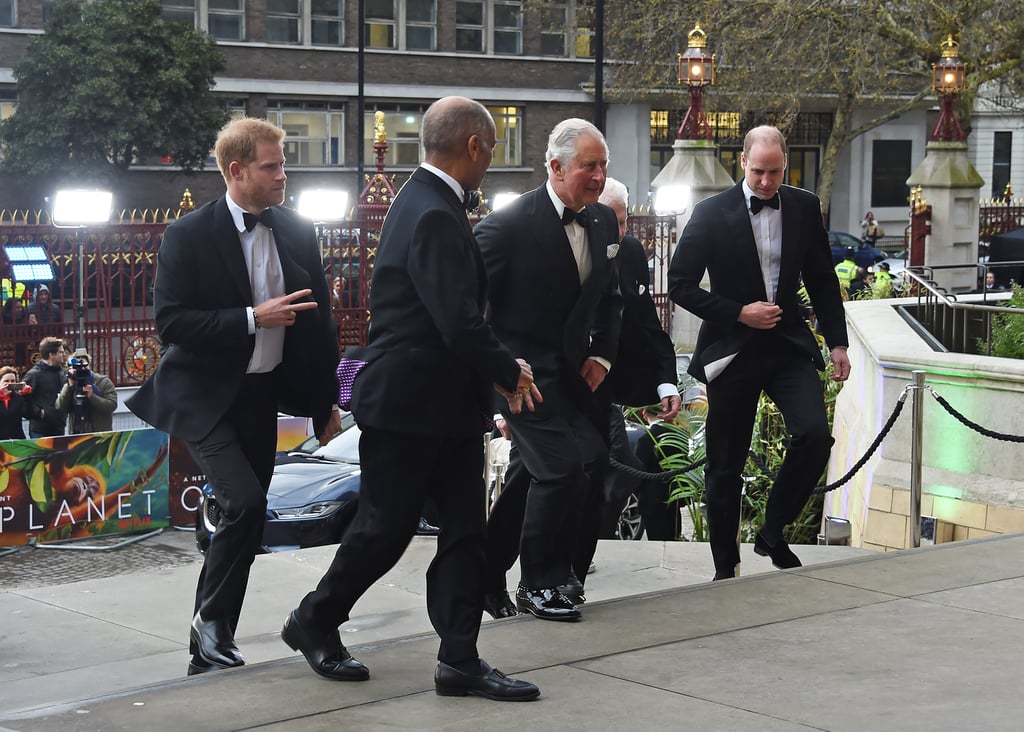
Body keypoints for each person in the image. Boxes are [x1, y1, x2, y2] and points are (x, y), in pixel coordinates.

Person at [284, 96, 540, 701]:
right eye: (493, 148)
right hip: (407, 406)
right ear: (473, 146)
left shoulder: (428, 203)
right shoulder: (430, 211)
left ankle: (459, 658)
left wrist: (496, 370)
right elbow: (456, 319)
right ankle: (315, 618)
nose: (492, 162)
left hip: (444, 405)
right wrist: (509, 370)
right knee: (383, 529)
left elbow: (454, 319)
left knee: (463, 531)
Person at [126, 117, 343, 677]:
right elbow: (172, 323)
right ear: (237, 170)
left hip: (262, 395)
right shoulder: (189, 235)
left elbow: (319, 326)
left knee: (246, 516)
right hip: (203, 398)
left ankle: (209, 635)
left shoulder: (297, 229)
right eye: (272, 166)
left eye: (284, 164)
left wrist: (325, 406)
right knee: (243, 504)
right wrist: (253, 318)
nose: (283, 175)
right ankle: (215, 626)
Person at [667, 125, 850, 581]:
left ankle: (771, 531)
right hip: (733, 349)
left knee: (813, 436)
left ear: (784, 164)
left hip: (787, 344)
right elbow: (680, 285)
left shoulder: (805, 207)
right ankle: (725, 568)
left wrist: (838, 341)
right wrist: (738, 313)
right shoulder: (711, 213)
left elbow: (823, 280)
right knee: (724, 464)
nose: (766, 181)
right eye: (758, 172)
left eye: (774, 172)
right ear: (742, 163)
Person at [475, 118, 622, 622]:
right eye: (589, 165)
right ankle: (539, 585)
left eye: (604, 165)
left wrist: (602, 355)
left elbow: (610, 298)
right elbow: (470, 308)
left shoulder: (604, 221)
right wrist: (497, 369)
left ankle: (486, 574)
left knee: (582, 460)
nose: (600, 176)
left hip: (573, 375)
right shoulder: (506, 225)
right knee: (561, 468)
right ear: (556, 168)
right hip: (520, 378)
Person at [55, 348, 118, 434]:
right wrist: (69, 387)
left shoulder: (103, 382)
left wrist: (92, 397)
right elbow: (60, 406)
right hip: (77, 434)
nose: (82, 370)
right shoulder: (71, 383)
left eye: (85, 366)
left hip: (99, 434)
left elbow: (112, 405)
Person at [23, 336, 68, 438]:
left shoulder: (62, 372)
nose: (64, 355)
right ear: (51, 354)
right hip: (40, 429)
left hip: (59, 426)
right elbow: (24, 398)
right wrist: (39, 412)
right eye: (61, 352)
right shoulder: (34, 374)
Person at [0, 366, 32, 440]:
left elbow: (28, 415)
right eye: (6, 381)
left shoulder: (18, 398)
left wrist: (27, 396)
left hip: (16, 440)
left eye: (12, 381)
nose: (9, 384)